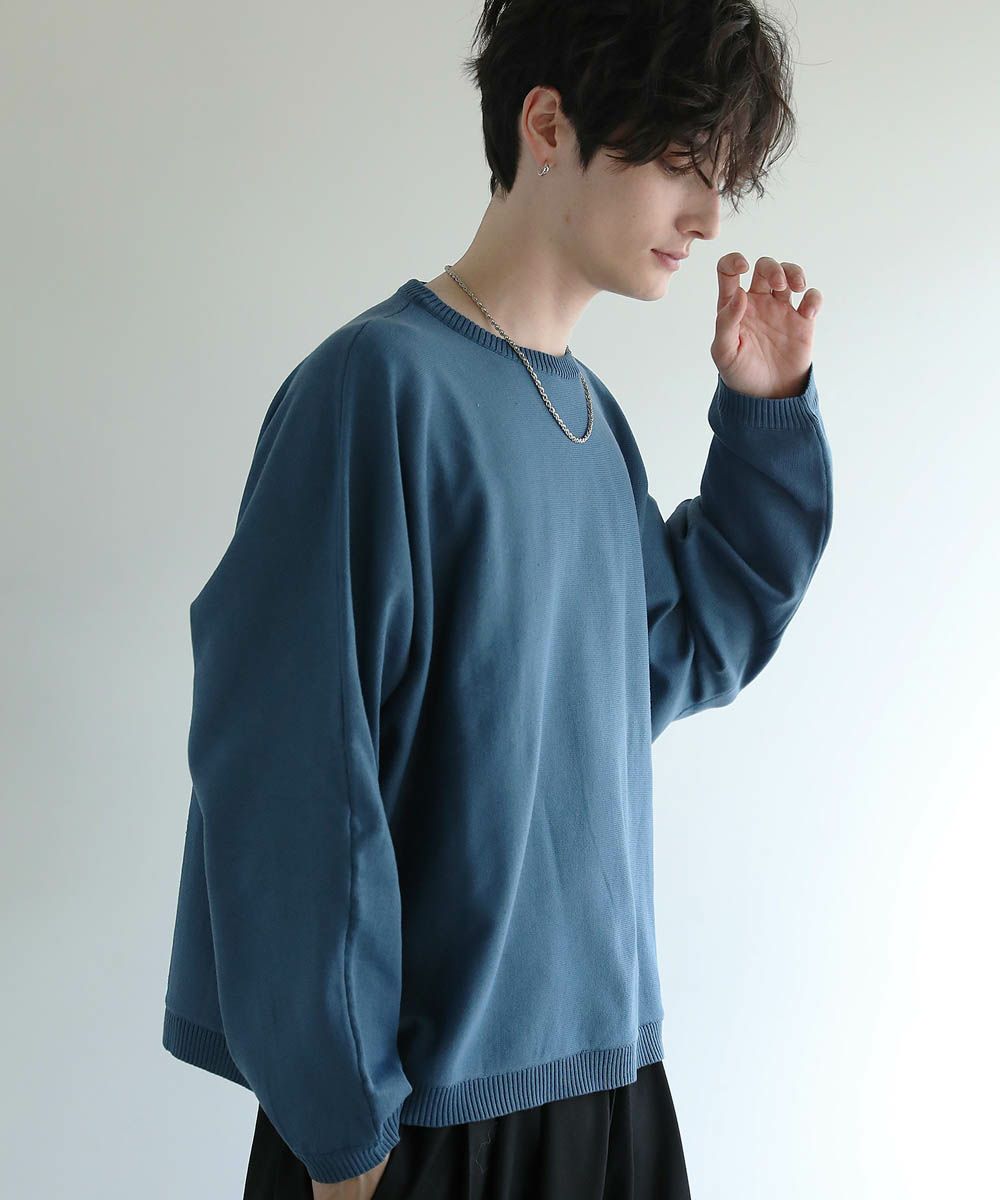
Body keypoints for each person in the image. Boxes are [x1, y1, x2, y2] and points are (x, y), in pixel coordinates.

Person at [161, 2, 833, 1197]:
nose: (708, 217)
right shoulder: (376, 391)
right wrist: (345, 1136)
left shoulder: (587, 420)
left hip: (608, 1089)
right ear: (548, 125)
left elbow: (673, 656)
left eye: (721, 176)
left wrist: (765, 417)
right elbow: (289, 777)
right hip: (425, 1121)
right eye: (679, 162)